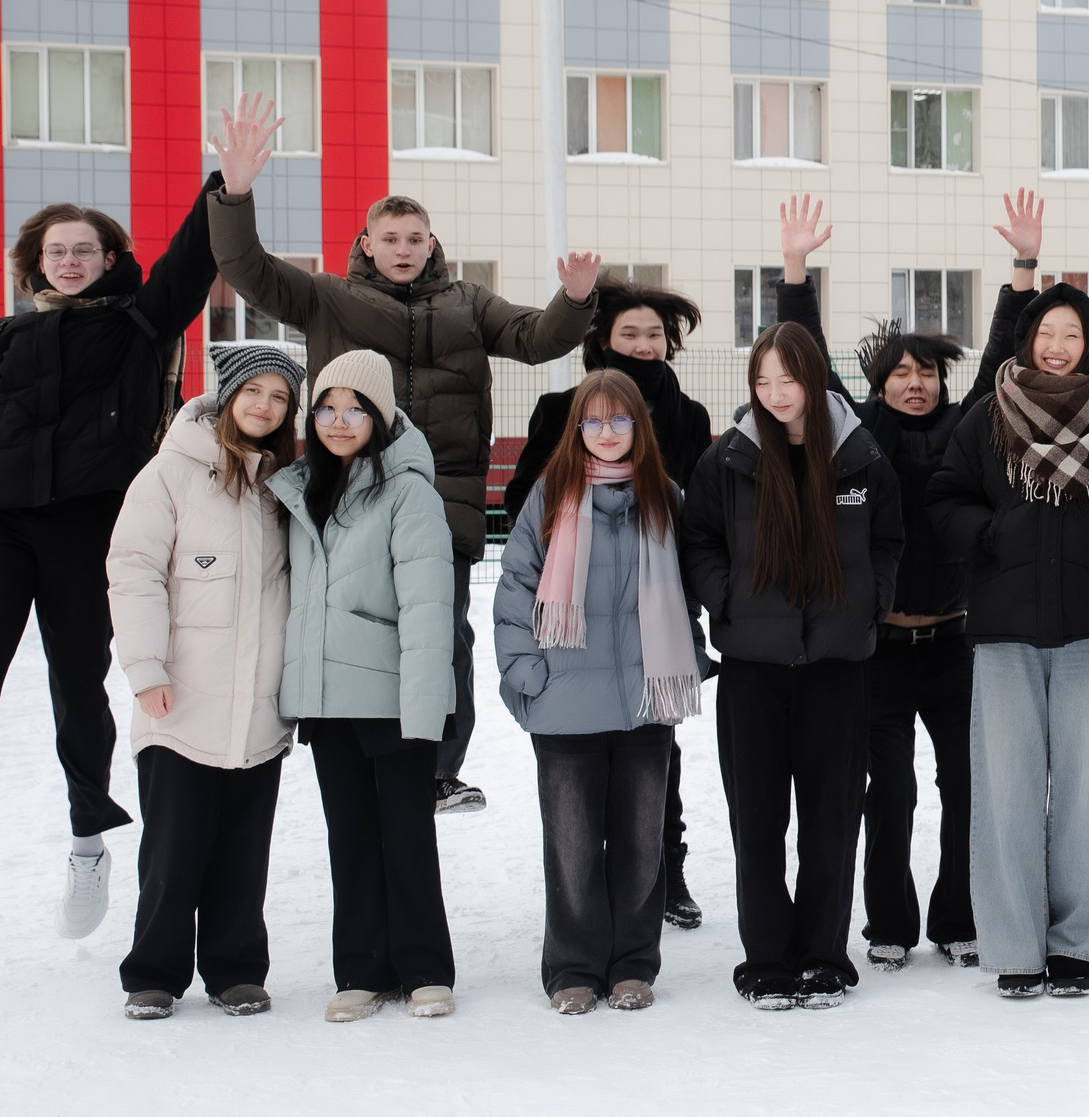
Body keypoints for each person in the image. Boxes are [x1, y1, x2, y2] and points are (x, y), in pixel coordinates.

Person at [0, 100, 249, 932]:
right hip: (2, 523)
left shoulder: (140, 324)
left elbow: (187, 259)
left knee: (77, 682)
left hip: (91, 527)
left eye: (84, 249)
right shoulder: (3, 339)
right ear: (35, 263)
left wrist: (227, 188)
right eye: (55, 251)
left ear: (109, 258)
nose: (69, 261)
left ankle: (89, 840)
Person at [209, 173, 601, 815]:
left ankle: (440, 769)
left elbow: (537, 338)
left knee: (442, 631)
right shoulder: (326, 297)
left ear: (431, 244)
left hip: (443, 497)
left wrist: (576, 298)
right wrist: (235, 195)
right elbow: (246, 267)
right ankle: (347, 742)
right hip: (349, 493)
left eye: (414, 238)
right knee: (351, 626)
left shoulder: (469, 303)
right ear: (366, 241)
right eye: (389, 237)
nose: (402, 247)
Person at [773, 195, 1023, 973]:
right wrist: (793, 272)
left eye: (925, 374)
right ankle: (888, 922)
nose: (915, 384)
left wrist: (1021, 273)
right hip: (876, 645)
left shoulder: (967, 429)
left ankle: (959, 916)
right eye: (901, 374)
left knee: (966, 786)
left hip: (954, 639)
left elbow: (996, 363)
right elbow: (808, 357)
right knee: (888, 790)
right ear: (877, 384)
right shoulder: (857, 434)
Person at [928, 283, 1089, 1000]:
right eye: (1047, 333)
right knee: (1005, 786)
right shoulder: (986, 421)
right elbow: (943, 498)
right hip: (1003, 629)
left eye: (1073, 334)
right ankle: (1014, 945)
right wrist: (990, 535)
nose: (1059, 346)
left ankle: (1077, 944)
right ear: (1028, 341)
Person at [680, 320, 901, 1011]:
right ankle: (767, 959)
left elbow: (890, 541)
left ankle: (824, 955)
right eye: (762, 380)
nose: (776, 393)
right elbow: (700, 543)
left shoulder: (861, 456)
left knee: (832, 818)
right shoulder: (729, 459)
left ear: (814, 377)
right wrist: (731, 605)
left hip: (837, 666)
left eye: (788, 378)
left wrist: (869, 607)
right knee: (759, 820)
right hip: (754, 669)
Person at [503, 276, 714, 931]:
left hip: (653, 612)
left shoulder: (689, 416)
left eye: (655, 333)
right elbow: (523, 506)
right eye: (631, 333)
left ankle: (664, 872)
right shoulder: (564, 405)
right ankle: (585, 906)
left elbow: (701, 520)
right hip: (578, 614)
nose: (645, 344)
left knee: (657, 756)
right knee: (579, 773)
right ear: (602, 340)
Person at [104, 344, 304, 1020]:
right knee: (173, 849)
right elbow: (134, 569)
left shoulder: (285, 484)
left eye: (279, 399)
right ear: (227, 395)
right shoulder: (170, 474)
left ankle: (236, 969)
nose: (264, 406)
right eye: (255, 392)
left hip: (260, 705)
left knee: (243, 850)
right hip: (181, 699)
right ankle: (154, 972)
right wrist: (145, 668)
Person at [269, 350, 459, 1022]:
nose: (339, 419)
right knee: (348, 837)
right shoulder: (300, 487)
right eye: (327, 405)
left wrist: (423, 711)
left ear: (379, 417)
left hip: (389, 696)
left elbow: (429, 604)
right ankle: (361, 970)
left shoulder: (406, 489)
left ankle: (426, 968)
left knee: (405, 836)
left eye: (355, 407)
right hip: (327, 700)